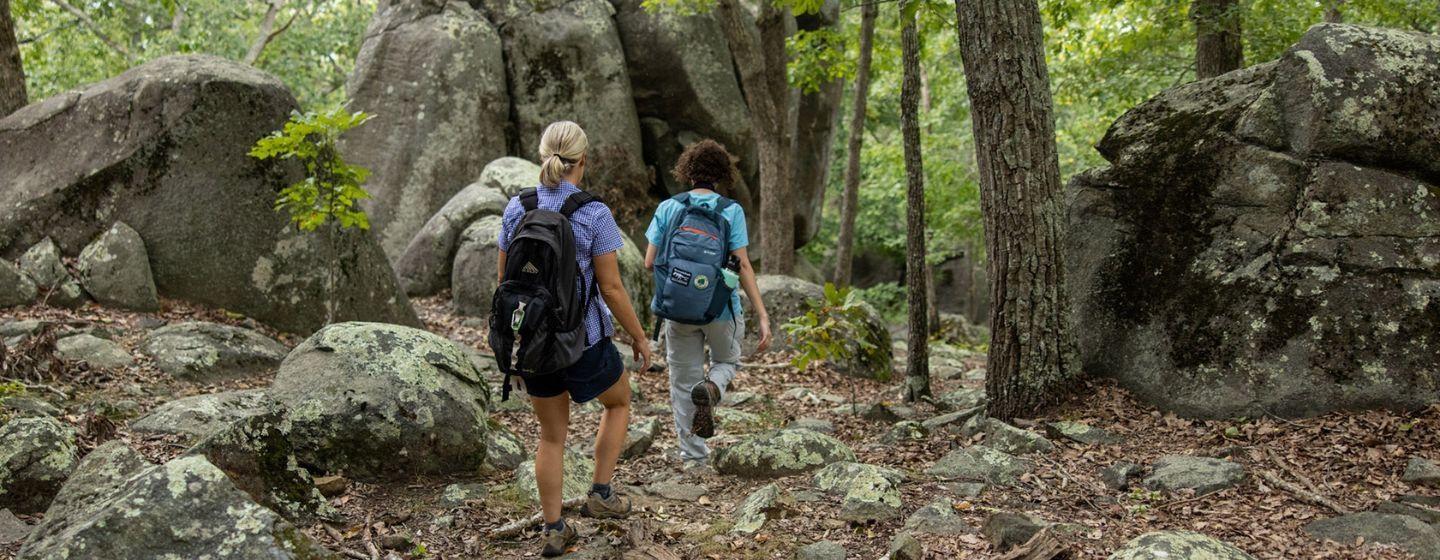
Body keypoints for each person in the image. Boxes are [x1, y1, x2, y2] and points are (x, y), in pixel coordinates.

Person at [496, 121, 653, 557]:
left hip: (535, 342)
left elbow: (505, 282)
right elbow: (612, 289)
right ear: (582, 162)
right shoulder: (594, 212)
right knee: (619, 400)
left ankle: (553, 529)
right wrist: (638, 337)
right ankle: (601, 493)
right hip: (584, 339)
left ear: (541, 155)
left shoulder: (517, 207)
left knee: (551, 437)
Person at [644, 139, 771, 470]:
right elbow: (742, 265)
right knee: (728, 360)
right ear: (722, 174)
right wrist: (762, 314)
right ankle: (713, 388)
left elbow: (648, 262)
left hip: (677, 310)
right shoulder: (730, 211)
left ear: (687, 172)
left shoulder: (669, 208)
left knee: (682, 383)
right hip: (720, 308)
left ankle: (694, 461)